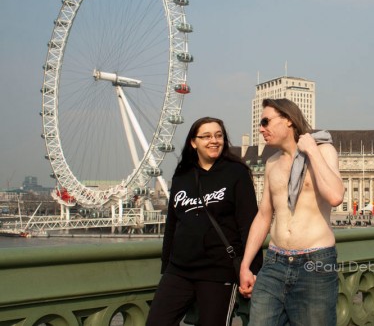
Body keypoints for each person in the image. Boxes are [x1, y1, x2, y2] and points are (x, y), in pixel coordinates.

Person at [146, 116, 263, 326]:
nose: (214, 140)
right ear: (194, 142)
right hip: (179, 270)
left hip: (219, 272)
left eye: (219, 136)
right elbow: (172, 225)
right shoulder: (182, 175)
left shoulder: (236, 173)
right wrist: (166, 267)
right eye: (206, 136)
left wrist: (252, 269)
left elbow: (249, 224)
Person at [239, 99, 344, 326]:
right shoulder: (271, 163)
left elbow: (335, 196)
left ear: (288, 119)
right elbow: (264, 216)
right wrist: (245, 265)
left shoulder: (324, 150)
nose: (260, 128)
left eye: (266, 121)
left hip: (315, 263)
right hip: (274, 263)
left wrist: (312, 152)